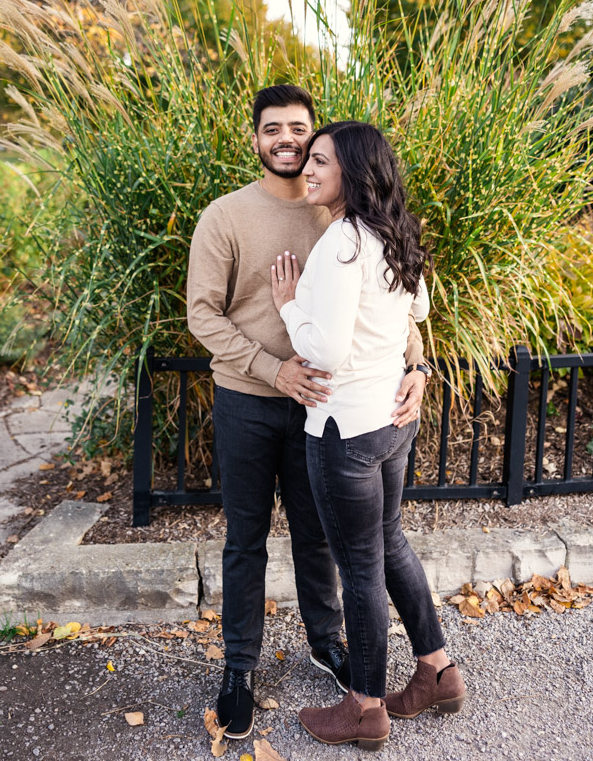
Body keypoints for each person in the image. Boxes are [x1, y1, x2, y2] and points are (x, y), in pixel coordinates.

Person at [186, 86, 430, 740]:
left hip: (325, 412)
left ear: (319, 141)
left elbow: (397, 305)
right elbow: (201, 313)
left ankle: (328, 646)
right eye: (273, 129)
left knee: (319, 540)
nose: (287, 139)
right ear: (256, 138)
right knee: (245, 543)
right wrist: (273, 370)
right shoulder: (226, 216)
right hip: (247, 403)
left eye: (299, 128)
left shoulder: (341, 213)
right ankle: (239, 670)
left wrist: (418, 365)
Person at [271, 120, 466, 752]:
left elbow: (322, 348)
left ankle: (364, 708)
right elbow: (420, 312)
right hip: (390, 423)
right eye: (310, 160)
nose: (309, 170)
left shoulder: (342, 243)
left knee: (359, 567)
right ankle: (437, 669)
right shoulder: (395, 234)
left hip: (344, 428)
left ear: (353, 173)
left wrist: (287, 304)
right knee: (389, 543)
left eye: (322, 161)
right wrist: (413, 367)